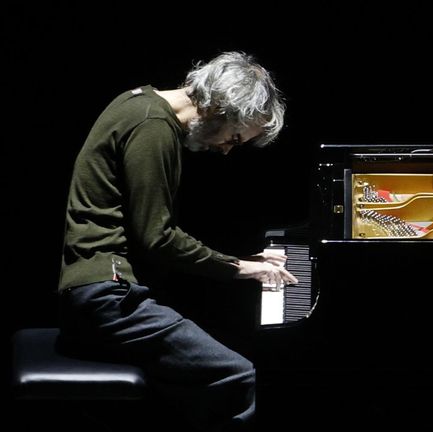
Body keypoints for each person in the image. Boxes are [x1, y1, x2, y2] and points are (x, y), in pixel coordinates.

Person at [57, 51, 298, 432]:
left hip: (102, 290)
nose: (227, 149)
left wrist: (235, 261)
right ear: (219, 107)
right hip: (108, 298)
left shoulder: (137, 101)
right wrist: (240, 267)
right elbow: (158, 239)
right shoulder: (153, 127)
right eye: (235, 137)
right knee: (241, 378)